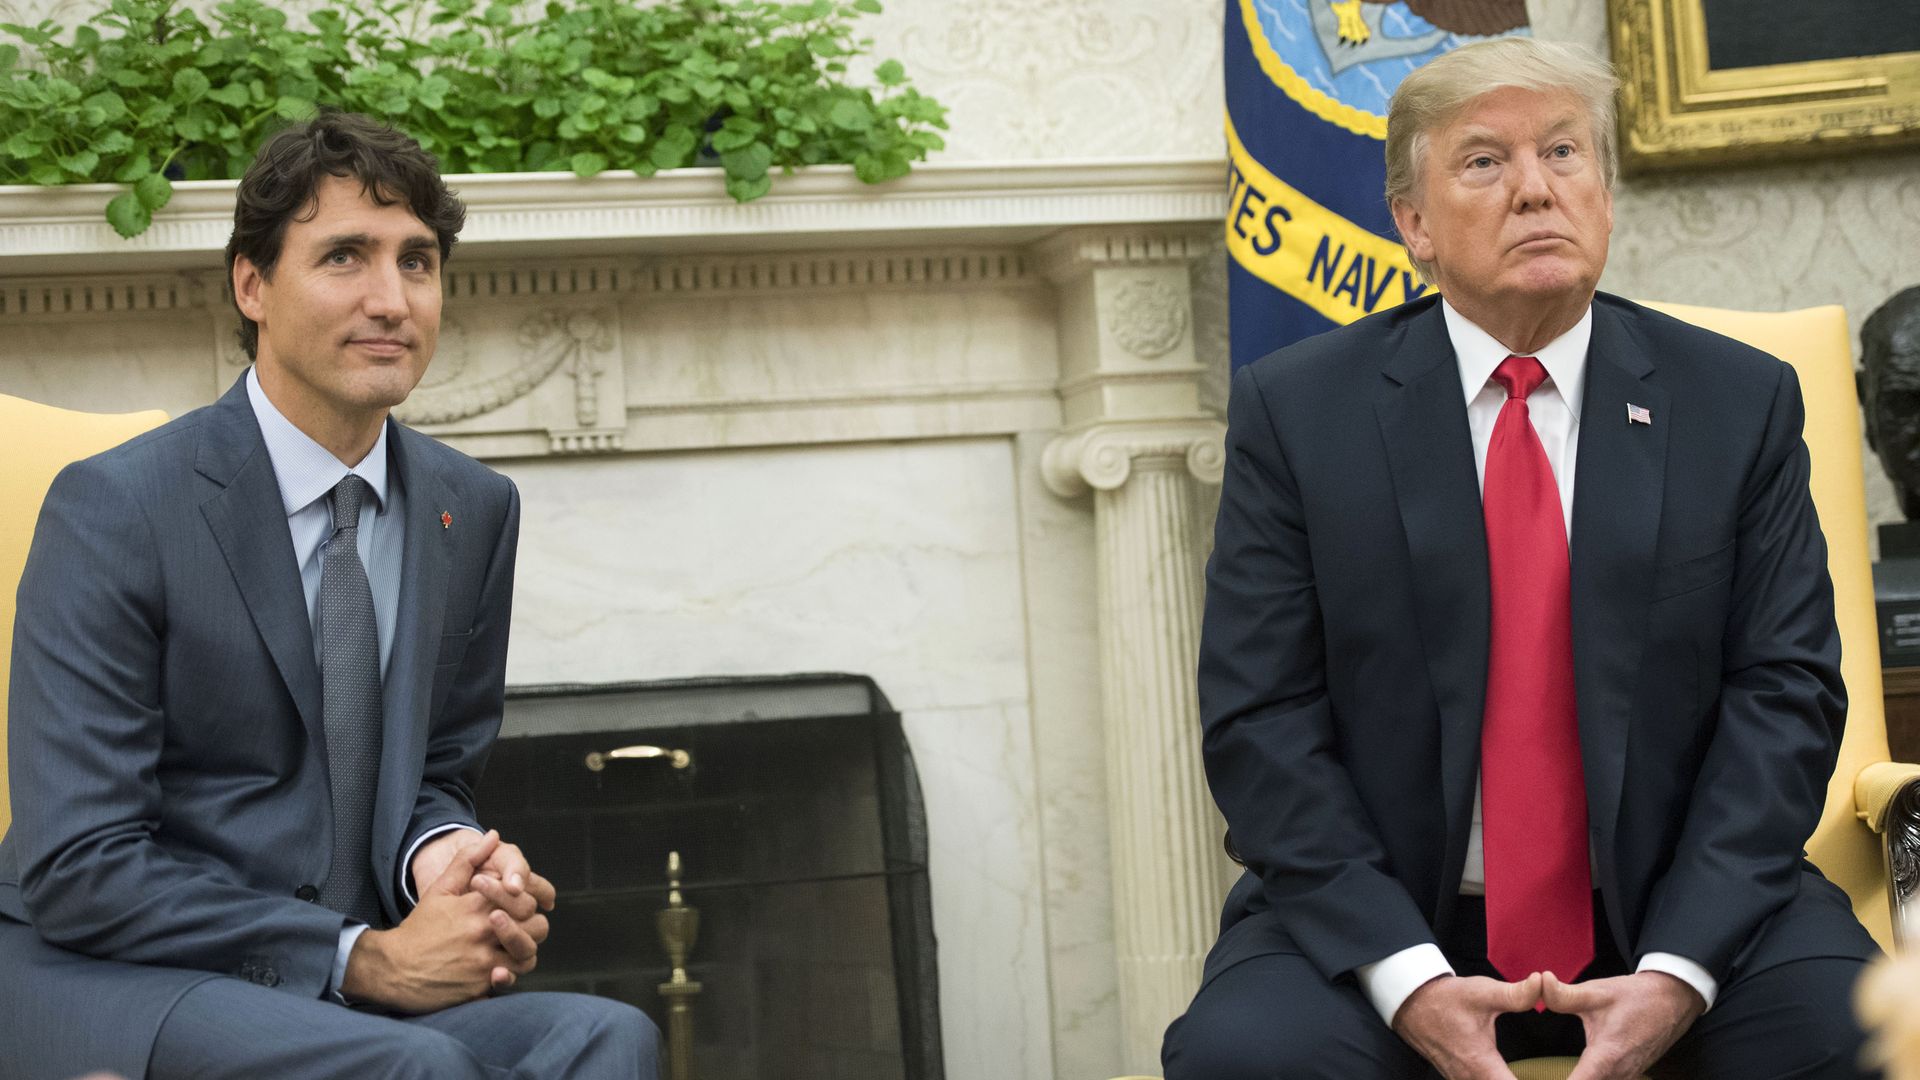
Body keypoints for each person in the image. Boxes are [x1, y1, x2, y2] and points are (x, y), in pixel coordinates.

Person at [1163, 36, 1879, 1080]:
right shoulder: (1298, 414)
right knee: (1246, 1059)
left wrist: (1680, 969)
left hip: (1683, 902)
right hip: (1399, 909)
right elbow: (1259, 717)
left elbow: (1787, 692)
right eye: (1485, 162)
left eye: (1563, 153)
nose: (1535, 191)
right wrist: (1407, 977)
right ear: (1412, 222)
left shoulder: (1738, 402)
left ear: (1605, 195)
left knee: (1846, 1035)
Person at [0, 112, 659, 1080]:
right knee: (415, 1071)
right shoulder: (118, 507)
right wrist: (363, 958)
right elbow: (82, 865)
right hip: (115, 977)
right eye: (345, 256)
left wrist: (446, 863)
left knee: (608, 1039)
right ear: (252, 284)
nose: (391, 299)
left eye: (418, 262)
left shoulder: (472, 510)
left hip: (327, 994)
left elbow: (437, 768)